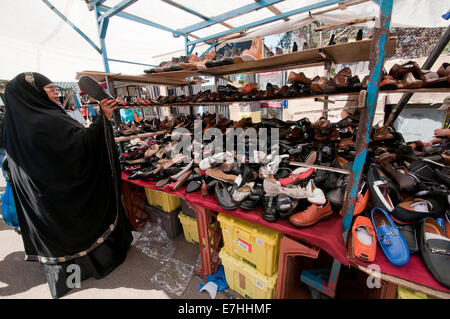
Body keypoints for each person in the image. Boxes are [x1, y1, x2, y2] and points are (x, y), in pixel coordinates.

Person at [3, 72, 132, 298]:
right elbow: (80, 147)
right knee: (77, 226)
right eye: (50, 89)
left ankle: (68, 278)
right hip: (63, 192)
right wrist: (104, 118)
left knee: (57, 232)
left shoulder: (14, 124)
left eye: (55, 88)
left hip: (40, 197)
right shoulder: (47, 120)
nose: (56, 93)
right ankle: (92, 268)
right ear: (33, 93)